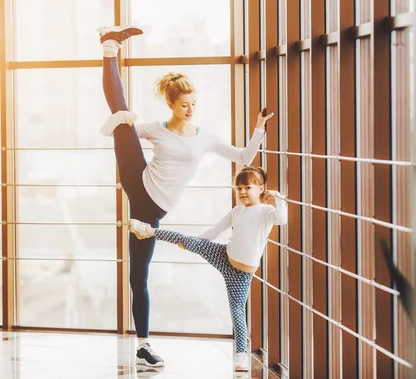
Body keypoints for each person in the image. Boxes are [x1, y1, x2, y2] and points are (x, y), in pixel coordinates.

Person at [96, 26, 274, 367]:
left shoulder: (204, 137)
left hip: (151, 209)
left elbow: (243, 157)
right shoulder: (155, 129)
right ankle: (109, 48)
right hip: (139, 183)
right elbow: (131, 130)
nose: (191, 109)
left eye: (194, 104)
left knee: (138, 276)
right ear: (171, 104)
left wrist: (259, 127)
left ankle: (142, 345)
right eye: (184, 104)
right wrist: (120, 126)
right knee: (122, 115)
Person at [129, 166, 287, 372]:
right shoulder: (236, 211)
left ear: (261, 189)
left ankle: (241, 357)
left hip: (241, 274)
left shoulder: (267, 212)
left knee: (237, 313)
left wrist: (278, 198)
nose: (242, 192)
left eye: (248, 187)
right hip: (223, 255)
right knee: (186, 240)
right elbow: (214, 231)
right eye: (238, 189)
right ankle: (148, 231)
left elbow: (282, 219)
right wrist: (194, 242)